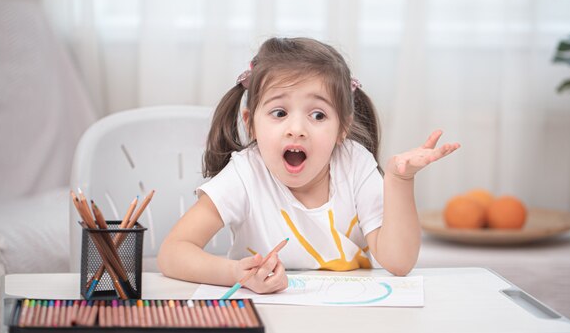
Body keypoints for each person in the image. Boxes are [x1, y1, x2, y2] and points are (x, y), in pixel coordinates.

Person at [158, 37, 460, 294]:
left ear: (342, 127)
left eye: (317, 115)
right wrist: (237, 273)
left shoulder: (354, 163)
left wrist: (399, 182)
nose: (297, 129)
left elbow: (399, 262)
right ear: (251, 124)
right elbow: (173, 252)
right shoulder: (245, 173)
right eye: (279, 113)